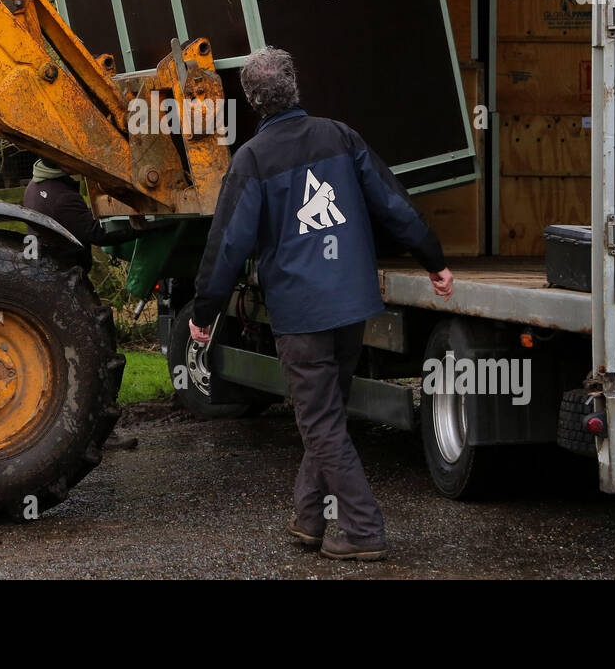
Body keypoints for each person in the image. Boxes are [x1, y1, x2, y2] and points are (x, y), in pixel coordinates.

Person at [188, 47, 454, 561]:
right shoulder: (340, 136)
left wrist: (204, 313)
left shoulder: (252, 160)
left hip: (302, 313)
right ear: (295, 87)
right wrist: (433, 259)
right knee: (327, 414)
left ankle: (361, 529)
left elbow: (226, 246)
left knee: (321, 422)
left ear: (252, 101)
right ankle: (311, 517)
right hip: (352, 307)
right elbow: (392, 204)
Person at [23, 157, 140, 451]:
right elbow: (96, 233)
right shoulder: (62, 198)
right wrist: (139, 227)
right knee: (98, 357)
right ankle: (101, 432)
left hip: (50, 284)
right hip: (68, 289)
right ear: (61, 164)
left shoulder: (36, 186)